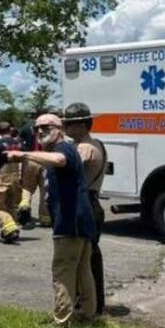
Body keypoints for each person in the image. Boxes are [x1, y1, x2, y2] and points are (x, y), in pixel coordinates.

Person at [8, 113, 96, 326]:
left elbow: (59, 160)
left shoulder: (62, 149)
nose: (40, 131)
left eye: (46, 127)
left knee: (62, 270)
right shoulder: (62, 148)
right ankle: (86, 314)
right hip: (80, 220)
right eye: (37, 128)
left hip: (70, 221)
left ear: (60, 129)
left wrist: (24, 155)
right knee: (82, 269)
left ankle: (62, 320)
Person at [63, 102, 108, 316]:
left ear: (81, 125)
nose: (65, 128)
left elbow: (68, 172)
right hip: (93, 202)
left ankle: (89, 305)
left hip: (86, 203)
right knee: (90, 257)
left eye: (69, 124)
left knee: (83, 259)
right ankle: (95, 304)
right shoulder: (98, 143)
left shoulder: (83, 148)